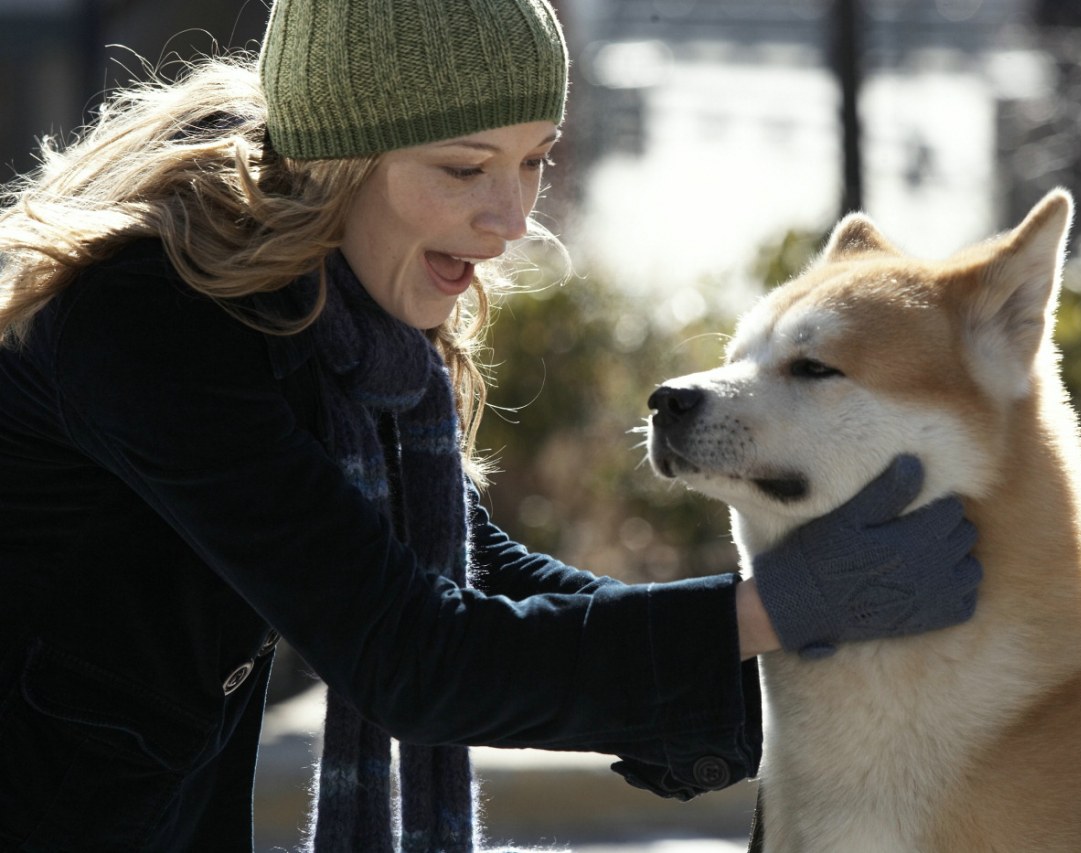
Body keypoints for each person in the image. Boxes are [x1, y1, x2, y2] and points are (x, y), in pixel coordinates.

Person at [0, 0, 983, 850]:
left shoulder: (341, 322)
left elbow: (468, 575)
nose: (510, 219)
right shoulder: (151, 325)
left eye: (531, 161)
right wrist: (782, 606)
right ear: (342, 158)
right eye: (466, 167)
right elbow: (410, 651)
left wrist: (767, 657)